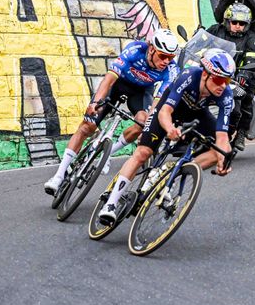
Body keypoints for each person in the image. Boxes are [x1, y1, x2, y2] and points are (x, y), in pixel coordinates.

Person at [97, 49, 236, 225]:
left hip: (197, 113)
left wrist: (223, 159)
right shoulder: (189, 76)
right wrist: (170, 129)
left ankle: (176, 169)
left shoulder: (226, 95)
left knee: (222, 150)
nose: (222, 85)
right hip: (169, 109)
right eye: (218, 79)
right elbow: (165, 112)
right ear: (205, 74)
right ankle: (110, 204)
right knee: (143, 152)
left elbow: (222, 136)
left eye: (227, 80)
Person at [43, 29, 179, 195]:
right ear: (151, 49)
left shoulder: (171, 70)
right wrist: (95, 103)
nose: (166, 61)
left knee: (144, 122)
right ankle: (58, 176)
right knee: (87, 126)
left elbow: (156, 105)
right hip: (118, 84)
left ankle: (108, 153)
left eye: (170, 57)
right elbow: (109, 79)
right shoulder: (135, 50)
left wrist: (148, 129)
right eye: (163, 56)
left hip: (141, 93)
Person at [206, 3, 255, 151]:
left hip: (236, 77)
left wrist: (243, 75)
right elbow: (199, 43)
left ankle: (241, 132)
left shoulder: (252, 39)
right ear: (227, 21)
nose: (238, 26)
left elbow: (253, 60)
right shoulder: (215, 30)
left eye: (242, 23)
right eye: (235, 22)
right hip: (211, 72)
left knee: (243, 102)